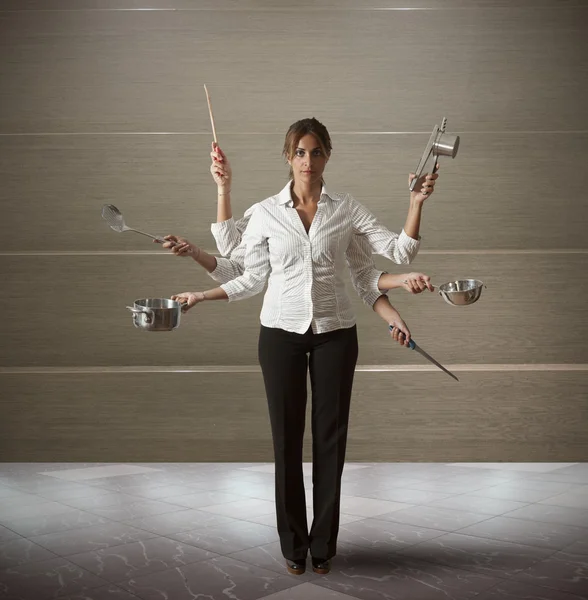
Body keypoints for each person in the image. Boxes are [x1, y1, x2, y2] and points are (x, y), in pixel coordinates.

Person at [164, 118, 439, 575]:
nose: (307, 162)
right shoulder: (267, 212)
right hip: (279, 335)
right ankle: (293, 545)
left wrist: (415, 202)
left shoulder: (346, 209)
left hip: (336, 334)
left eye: (315, 152)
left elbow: (393, 258)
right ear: (287, 157)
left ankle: (323, 545)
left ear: (328, 155)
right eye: (299, 153)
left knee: (331, 441)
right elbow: (243, 274)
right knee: (286, 441)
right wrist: (199, 288)